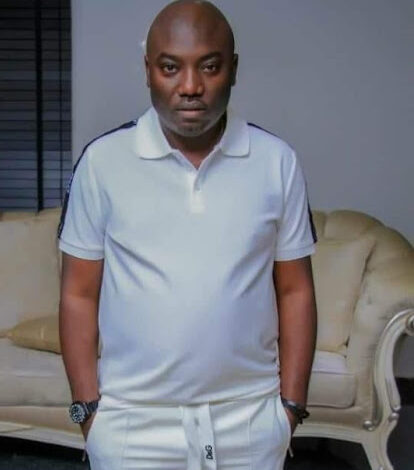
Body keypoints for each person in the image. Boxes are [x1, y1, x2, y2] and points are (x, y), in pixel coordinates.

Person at [58, 1, 317, 469]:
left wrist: (290, 409)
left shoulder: (276, 161)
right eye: (171, 67)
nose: (191, 86)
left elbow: (295, 289)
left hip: (249, 420)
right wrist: (89, 413)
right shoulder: (102, 162)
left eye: (210, 67)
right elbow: (78, 294)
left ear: (233, 68)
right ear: (148, 70)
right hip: (132, 422)